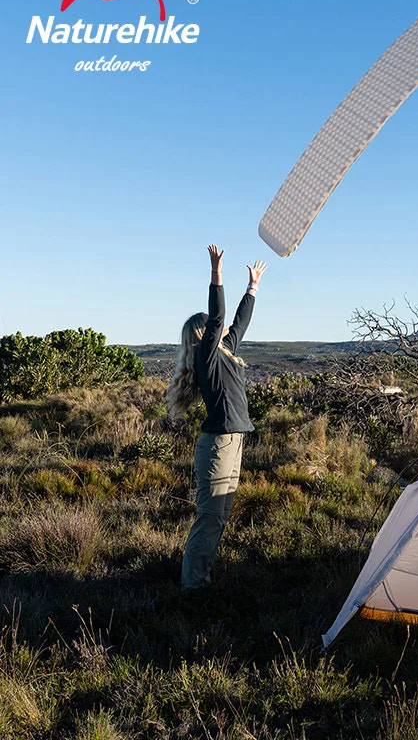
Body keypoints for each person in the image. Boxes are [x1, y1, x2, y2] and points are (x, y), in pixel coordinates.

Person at [165, 244, 267, 591]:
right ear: (202, 334)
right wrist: (216, 273)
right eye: (210, 326)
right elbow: (220, 318)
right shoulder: (206, 358)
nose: (217, 328)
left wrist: (252, 287)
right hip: (219, 444)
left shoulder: (226, 353)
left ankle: (202, 580)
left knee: (220, 517)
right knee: (209, 517)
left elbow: (237, 323)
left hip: (233, 440)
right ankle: (192, 589)